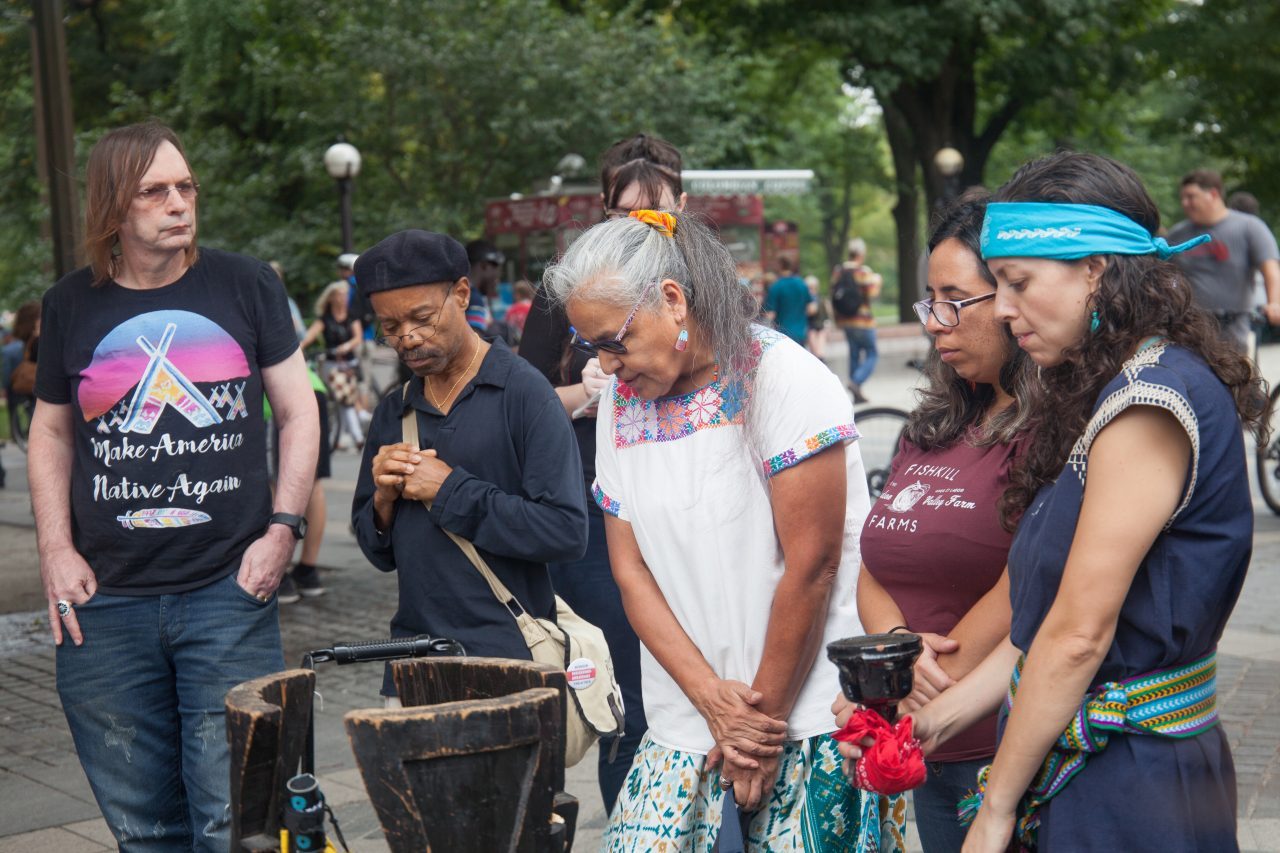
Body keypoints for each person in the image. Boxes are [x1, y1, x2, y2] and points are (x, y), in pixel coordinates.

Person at [838, 152, 1264, 852]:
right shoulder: (1110, 390)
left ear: (1096, 269)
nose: (1003, 309)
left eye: (1018, 282)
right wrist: (924, 723)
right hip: (1097, 764)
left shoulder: (1148, 402)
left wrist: (997, 804)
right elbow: (1036, 634)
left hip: (1135, 781)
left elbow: (1076, 636)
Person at [545, 209, 904, 851]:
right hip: (685, 716)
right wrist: (710, 700)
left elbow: (813, 566)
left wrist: (755, 732)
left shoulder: (782, 379)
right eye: (589, 345)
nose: (606, 363)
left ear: (673, 300)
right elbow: (631, 570)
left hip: (802, 714)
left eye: (615, 340)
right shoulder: (621, 407)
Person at [28, 121, 318, 851]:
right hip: (106, 607)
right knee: (144, 828)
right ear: (113, 208)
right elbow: (52, 433)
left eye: (185, 186)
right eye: (155, 191)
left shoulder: (245, 283)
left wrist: (284, 527)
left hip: (229, 591)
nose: (178, 203)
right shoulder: (70, 304)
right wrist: (55, 550)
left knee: (234, 820)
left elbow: (297, 408)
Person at [856, 190, 1032, 852]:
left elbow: (1032, 580)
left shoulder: (1054, 430)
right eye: (931, 301)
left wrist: (929, 684)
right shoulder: (934, 422)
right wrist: (900, 655)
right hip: (921, 739)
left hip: (1005, 745)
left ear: (1016, 295)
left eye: (955, 301)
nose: (936, 322)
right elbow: (872, 561)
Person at [517, 131, 685, 813]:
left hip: (685, 506)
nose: (642, 228)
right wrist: (588, 391)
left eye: (658, 213)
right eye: (625, 214)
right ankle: (632, 824)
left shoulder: (700, 286)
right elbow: (521, 405)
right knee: (627, 695)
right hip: (594, 511)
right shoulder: (570, 292)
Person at [350, 229, 587, 702]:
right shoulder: (395, 409)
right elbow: (379, 553)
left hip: (509, 665)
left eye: (421, 318)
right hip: (414, 663)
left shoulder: (524, 393)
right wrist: (382, 500)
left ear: (461, 294)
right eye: (390, 327)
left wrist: (449, 491)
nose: (408, 338)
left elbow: (565, 531)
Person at [1168, 168, 1280, 353]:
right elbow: (1162, 274)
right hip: (1190, 325)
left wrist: (1274, 302)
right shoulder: (1178, 234)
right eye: (1183, 198)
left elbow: (1270, 269)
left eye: (1191, 197)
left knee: (1234, 375)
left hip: (1233, 324)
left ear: (1213, 194)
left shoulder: (1249, 227)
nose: (1185, 203)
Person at [302, 279, 366, 450]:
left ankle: (340, 437)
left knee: (344, 400)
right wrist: (297, 349)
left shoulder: (351, 315)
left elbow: (358, 337)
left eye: (345, 295)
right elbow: (309, 337)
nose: (343, 298)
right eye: (340, 295)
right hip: (332, 366)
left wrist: (346, 346)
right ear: (331, 298)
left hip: (349, 363)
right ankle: (358, 437)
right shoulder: (325, 319)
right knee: (345, 399)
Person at [832, 237, 882, 402]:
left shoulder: (839, 271)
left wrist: (837, 320)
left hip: (846, 321)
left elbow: (834, 295)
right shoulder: (862, 271)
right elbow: (872, 293)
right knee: (872, 353)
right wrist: (877, 281)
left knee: (854, 354)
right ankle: (856, 381)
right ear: (861, 253)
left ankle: (856, 393)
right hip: (863, 321)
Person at [763, 255, 814, 345]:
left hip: (783, 334)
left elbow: (770, 314)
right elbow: (811, 309)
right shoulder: (801, 284)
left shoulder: (776, 287)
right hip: (801, 332)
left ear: (780, 265)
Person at [805, 274, 830, 359]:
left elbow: (812, 311)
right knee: (818, 353)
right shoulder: (821, 299)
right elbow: (827, 313)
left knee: (816, 353)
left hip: (813, 327)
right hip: (818, 326)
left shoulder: (812, 300)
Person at [504, 279, 535, 345]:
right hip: (532, 343)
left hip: (515, 345)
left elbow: (507, 328)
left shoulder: (511, 309)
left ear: (517, 294)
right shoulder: (534, 308)